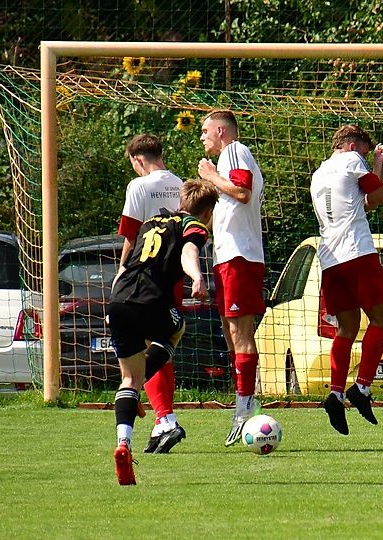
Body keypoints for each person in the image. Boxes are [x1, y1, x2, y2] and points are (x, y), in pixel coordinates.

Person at [110, 178, 218, 485]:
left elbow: (128, 261)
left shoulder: (150, 222)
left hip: (119, 299)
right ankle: (138, 390)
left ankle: (123, 444)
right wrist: (197, 277)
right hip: (151, 299)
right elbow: (188, 252)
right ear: (208, 212)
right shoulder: (193, 225)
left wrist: (113, 302)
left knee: (128, 380)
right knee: (176, 327)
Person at [310, 124, 383, 435]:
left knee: (346, 329)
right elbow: (380, 196)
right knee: (382, 318)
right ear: (350, 145)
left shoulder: (319, 173)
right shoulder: (351, 160)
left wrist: (375, 165)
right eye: (363, 150)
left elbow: (363, 201)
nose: (364, 156)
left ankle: (335, 393)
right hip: (357, 253)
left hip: (330, 260)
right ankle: (361, 388)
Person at [197, 110, 266, 446]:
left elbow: (242, 191)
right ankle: (245, 396)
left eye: (205, 130)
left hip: (241, 257)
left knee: (240, 332)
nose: (202, 137)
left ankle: (245, 405)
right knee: (229, 330)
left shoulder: (234, 151)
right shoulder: (226, 159)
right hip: (227, 257)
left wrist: (210, 175)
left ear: (221, 131)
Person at [117, 133, 186, 454]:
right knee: (163, 343)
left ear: (138, 159)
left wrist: (122, 272)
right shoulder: (181, 185)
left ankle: (165, 419)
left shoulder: (139, 186)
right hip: (174, 274)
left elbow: (131, 236)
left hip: (144, 277)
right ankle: (164, 419)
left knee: (146, 345)